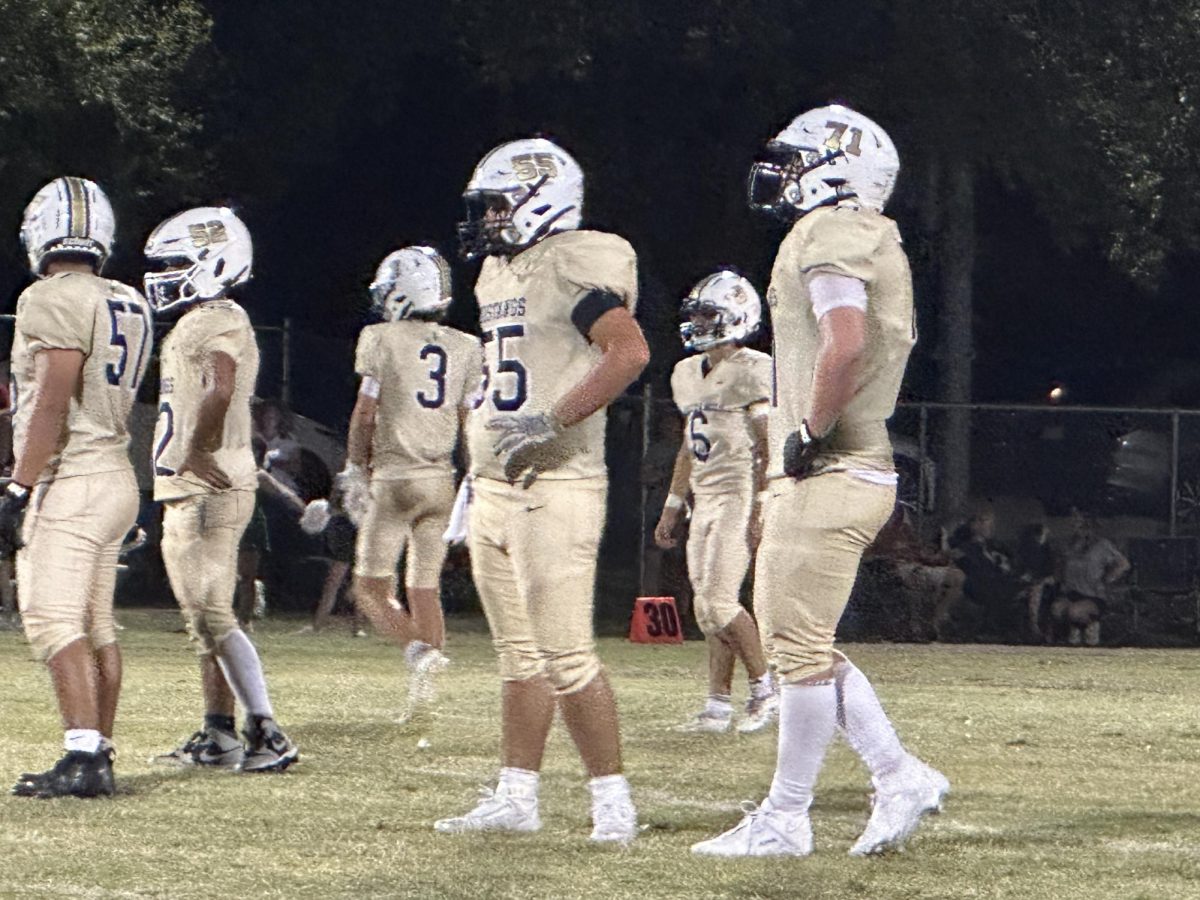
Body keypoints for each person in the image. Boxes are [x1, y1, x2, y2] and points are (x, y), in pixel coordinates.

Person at [694, 106, 947, 858]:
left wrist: (808, 433)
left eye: (796, 159)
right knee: (801, 642)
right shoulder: (867, 236)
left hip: (835, 463)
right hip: (854, 465)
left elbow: (843, 342)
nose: (783, 175)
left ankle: (787, 816)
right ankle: (898, 776)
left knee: (796, 650)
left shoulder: (832, 231)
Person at [435, 137, 649, 843]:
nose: (489, 222)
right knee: (518, 657)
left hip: (556, 480)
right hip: (497, 484)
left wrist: (553, 420)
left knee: (565, 654)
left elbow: (630, 351)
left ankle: (612, 802)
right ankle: (516, 796)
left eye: (498, 206)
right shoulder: (500, 274)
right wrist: (473, 475)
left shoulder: (575, 260)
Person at [3, 177, 150, 798]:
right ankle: (99, 752)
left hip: (75, 476)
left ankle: (83, 754)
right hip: (117, 471)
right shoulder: (129, 300)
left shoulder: (49, 297)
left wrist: (17, 486)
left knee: (50, 618)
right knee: (96, 623)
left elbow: (52, 400)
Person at [144, 206, 298, 773]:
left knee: (213, 613)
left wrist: (199, 447)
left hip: (208, 483)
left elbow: (221, 384)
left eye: (179, 262)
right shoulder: (200, 319)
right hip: (188, 485)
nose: (166, 274)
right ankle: (219, 732)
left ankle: (266, 730)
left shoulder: (217, 318)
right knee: (203, 618)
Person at [335, 245, 481, 718]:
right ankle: (424, 701)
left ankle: (421, 653)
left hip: (397, 477)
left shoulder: (381, 337)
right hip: (443, 479)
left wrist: (355, 467)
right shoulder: (466, 346)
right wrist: (474, 477)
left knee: (369, 590)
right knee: (424, 589)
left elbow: (364, 413)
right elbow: (467, 421)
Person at [653, 270, 777, 734]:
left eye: (710, 315)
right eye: (698, 315)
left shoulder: (754, 370)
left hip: (738, 495)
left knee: (721, 601)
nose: (700, 323)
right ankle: (718, 704)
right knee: (705, 607)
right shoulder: (686, 373)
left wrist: (764, 504)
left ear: (737, 317)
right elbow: (689, 445)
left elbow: (767, 446)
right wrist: (673, 504)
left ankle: (766, 690)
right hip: (704, 498)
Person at [1052, 512, 1129, 646]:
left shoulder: (1102, 545)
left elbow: (1123, 563)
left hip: (1093, 595)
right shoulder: (1070, 546)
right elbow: (1061, 566)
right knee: (1057, 610)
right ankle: (1073, 634)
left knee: (1074, 612)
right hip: (1072, 592)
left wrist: (1109, 577)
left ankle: (1091, 628)